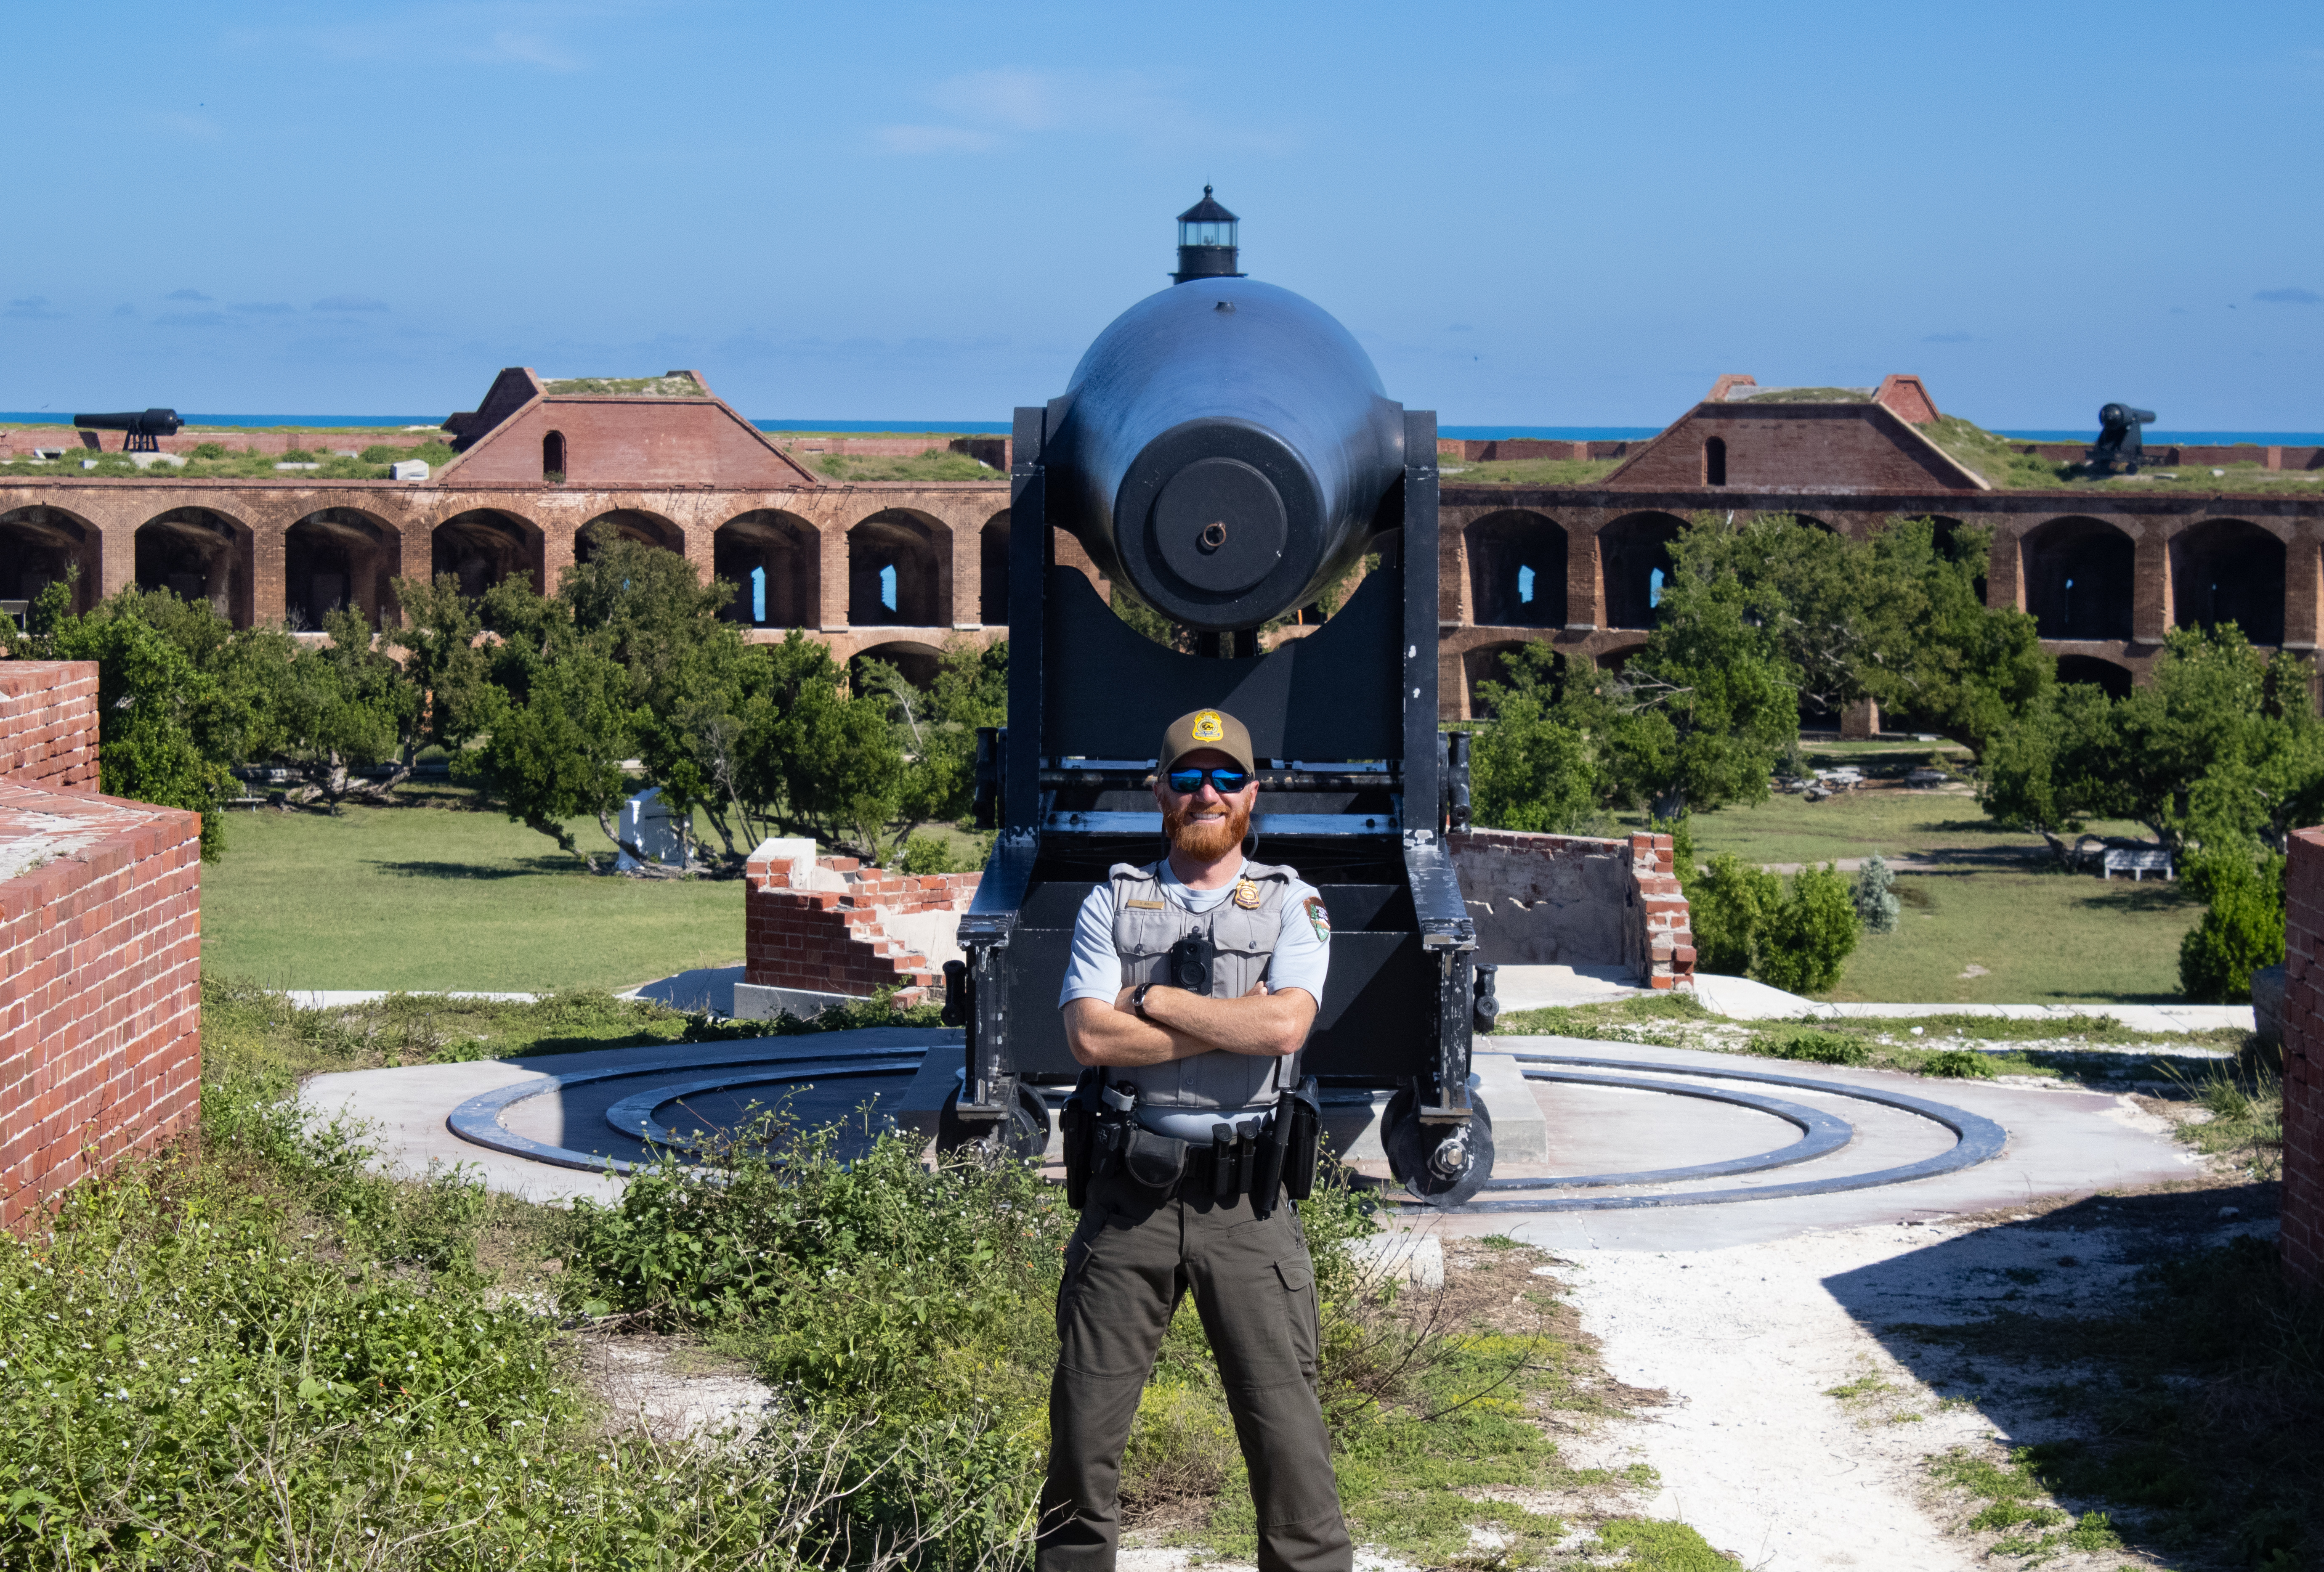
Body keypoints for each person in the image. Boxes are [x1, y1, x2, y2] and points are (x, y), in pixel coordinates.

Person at [1038, 706, 1350, 1572]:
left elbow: (1287, 1026)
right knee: (1080, 1444)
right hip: (1127, 1201)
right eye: (1185, 779)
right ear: (1158, 794)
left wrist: (1163, 1004)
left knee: (1290, 1449)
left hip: (1244, 1203)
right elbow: (1092, 1041)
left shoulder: (1294, 903)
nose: (1204, 793)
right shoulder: (1114, 900)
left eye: (1223, 778)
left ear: (1252, 794)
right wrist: (1232, 1022)